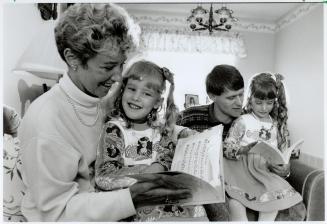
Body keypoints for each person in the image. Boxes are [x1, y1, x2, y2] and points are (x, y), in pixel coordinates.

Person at [18, 4, 188, 221]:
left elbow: (146, 124)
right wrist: (133, 198)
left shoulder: (102, 97)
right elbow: (56, 214)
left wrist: (182, 134)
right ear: (73, 59)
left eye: (121, 65)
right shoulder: (45, 122)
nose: (118, 77)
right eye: (108, 67)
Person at [177, 64, 306, 221]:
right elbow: (168, 138)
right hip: (223, 176)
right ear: (212, 96)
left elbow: (278, 153)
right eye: (231, 97)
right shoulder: (189, 117)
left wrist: (284, 169)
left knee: (292, 207)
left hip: (261, 174)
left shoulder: (262, 119)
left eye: (241, 94)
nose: (239, 102)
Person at [95, 60, 207, 221]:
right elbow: (104, 175)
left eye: (146, 94)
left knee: (197, 207)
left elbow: (167, 157)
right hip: (128, 199)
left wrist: (161, 167)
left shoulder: (160, 130)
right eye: (132, 89)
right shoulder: (114, 129)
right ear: (122, 91)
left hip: (159, 194)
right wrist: (149, 172)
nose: (136, 97)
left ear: (157, 103)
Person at [223, 73, 303, 221]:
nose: (264, 108)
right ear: (250, 100)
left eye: (270, 103)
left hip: (265, 172)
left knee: (276, 198)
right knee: (236, 201)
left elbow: (283, 155)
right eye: (259, 102)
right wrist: (244, 149)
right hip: (241, 169)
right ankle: (239, 215)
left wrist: (285, 168)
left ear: (275, 102)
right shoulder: (243, 120)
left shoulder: (277, 125)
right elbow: (227, 147)